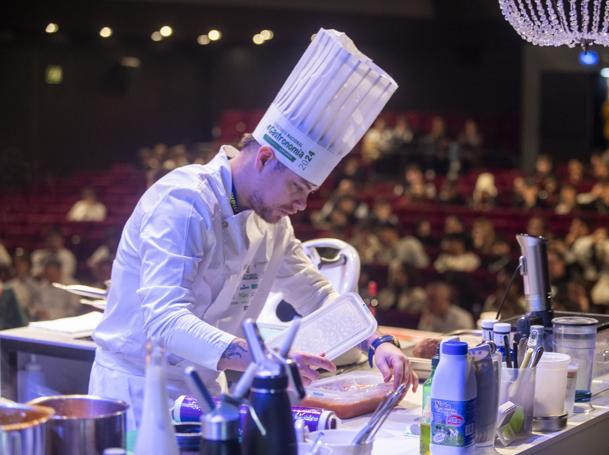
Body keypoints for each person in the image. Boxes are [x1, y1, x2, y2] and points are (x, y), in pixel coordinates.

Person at [89, 29, 416, 429]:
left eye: (310, 191)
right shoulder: (183, 201)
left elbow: (314, 292)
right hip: (138, 393)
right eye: (298, 187)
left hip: (206, 393)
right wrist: (264, 357)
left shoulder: (274, 224)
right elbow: (165, 320)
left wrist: (375, 341)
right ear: (264, 158)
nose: (302, 204)